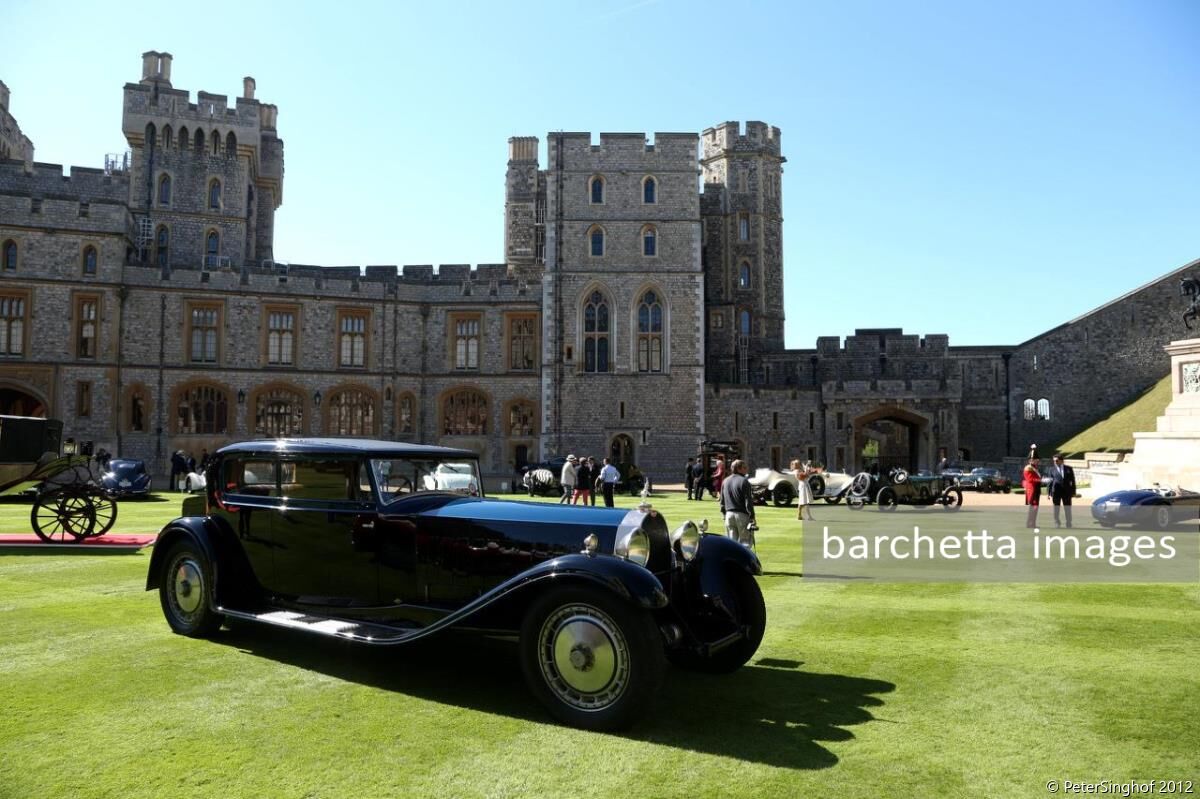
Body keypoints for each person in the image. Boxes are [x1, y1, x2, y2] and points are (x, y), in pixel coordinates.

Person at [719, 459, 757, 548]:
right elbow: (748, 501)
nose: (746, 469)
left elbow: (722, 501)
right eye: (744, 467)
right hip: (742, 515)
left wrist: (724, 514)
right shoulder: (744, 481)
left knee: (731, 544)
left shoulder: (725, 481)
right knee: (745, 543)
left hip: (729, 515)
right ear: (739, 469)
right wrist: (752, 517)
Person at [1047, 453, 1076, 528]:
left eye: (1056, 461)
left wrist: (1073, 492)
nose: (1055, 462)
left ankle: (1069, 523)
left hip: (1067, 492)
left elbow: (1073, 481)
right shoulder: (1051, 469)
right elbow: (1050, 481)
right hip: (1056, 491)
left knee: (1068, 508)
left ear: (1061, 461)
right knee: (1056, 508)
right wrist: (1048, 492)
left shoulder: (1069, 469)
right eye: (1054, 461)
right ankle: (1057, 522)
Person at [1022, 456, 1042, 529]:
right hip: (1032, 489)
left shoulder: (1034, 468)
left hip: (1036, 489)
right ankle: (1030, 524)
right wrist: (1041, 480)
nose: (1038, 461)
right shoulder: (1028, 468)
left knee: (1035, 507)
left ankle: (1032, 523)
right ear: (1031, 460)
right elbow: (1030, 479)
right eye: (1036, 460)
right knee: (1033, 507)